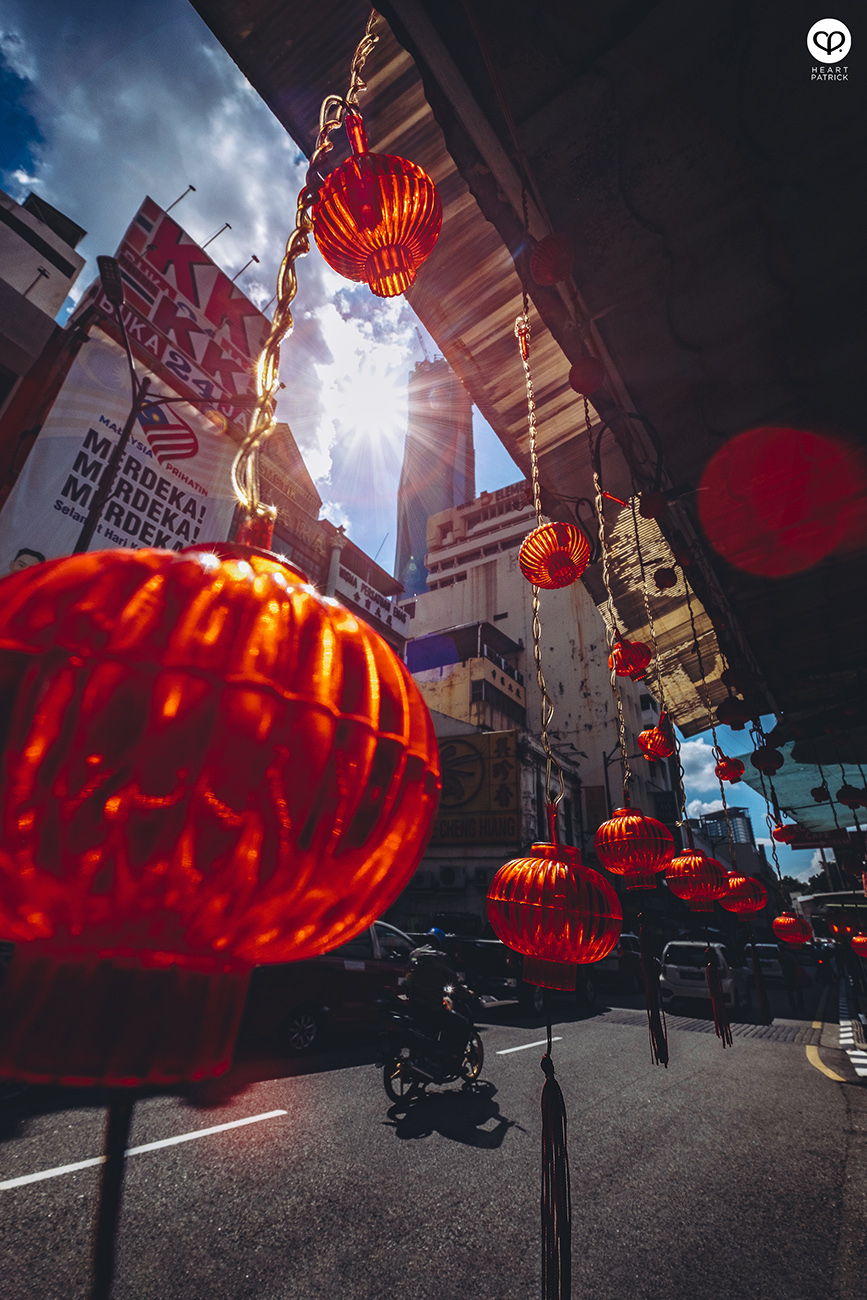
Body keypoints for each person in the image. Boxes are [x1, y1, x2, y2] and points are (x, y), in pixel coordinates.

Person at [405, 928, 471, 1058]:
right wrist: (469, 994)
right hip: (432, 1009)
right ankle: (452, 1058)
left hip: (413, 1007)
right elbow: (455, 985)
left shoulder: (414, 954)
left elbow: (407, 979)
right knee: (462, 1023)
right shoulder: (442, 958)